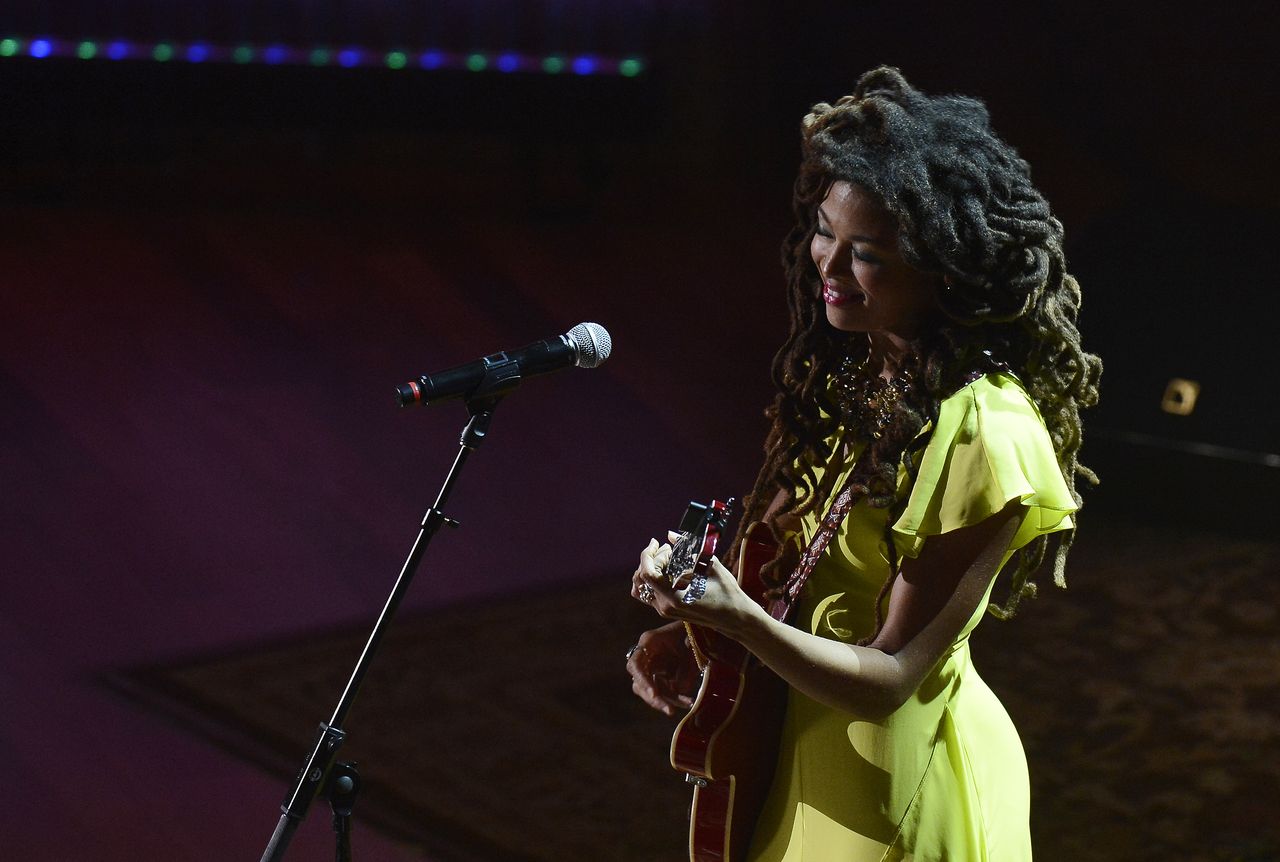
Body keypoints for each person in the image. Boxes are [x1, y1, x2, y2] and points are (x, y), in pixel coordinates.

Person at [626, 66, 1102, 860]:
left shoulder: (985, 430)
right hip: (803, 747)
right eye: (824, 232)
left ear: (943, 264)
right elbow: (791, 570)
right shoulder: (855, 372)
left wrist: (736, 618)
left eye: (868, 253)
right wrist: (705, 632)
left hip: (898, 790)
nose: (829, 268)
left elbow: (889, 678)